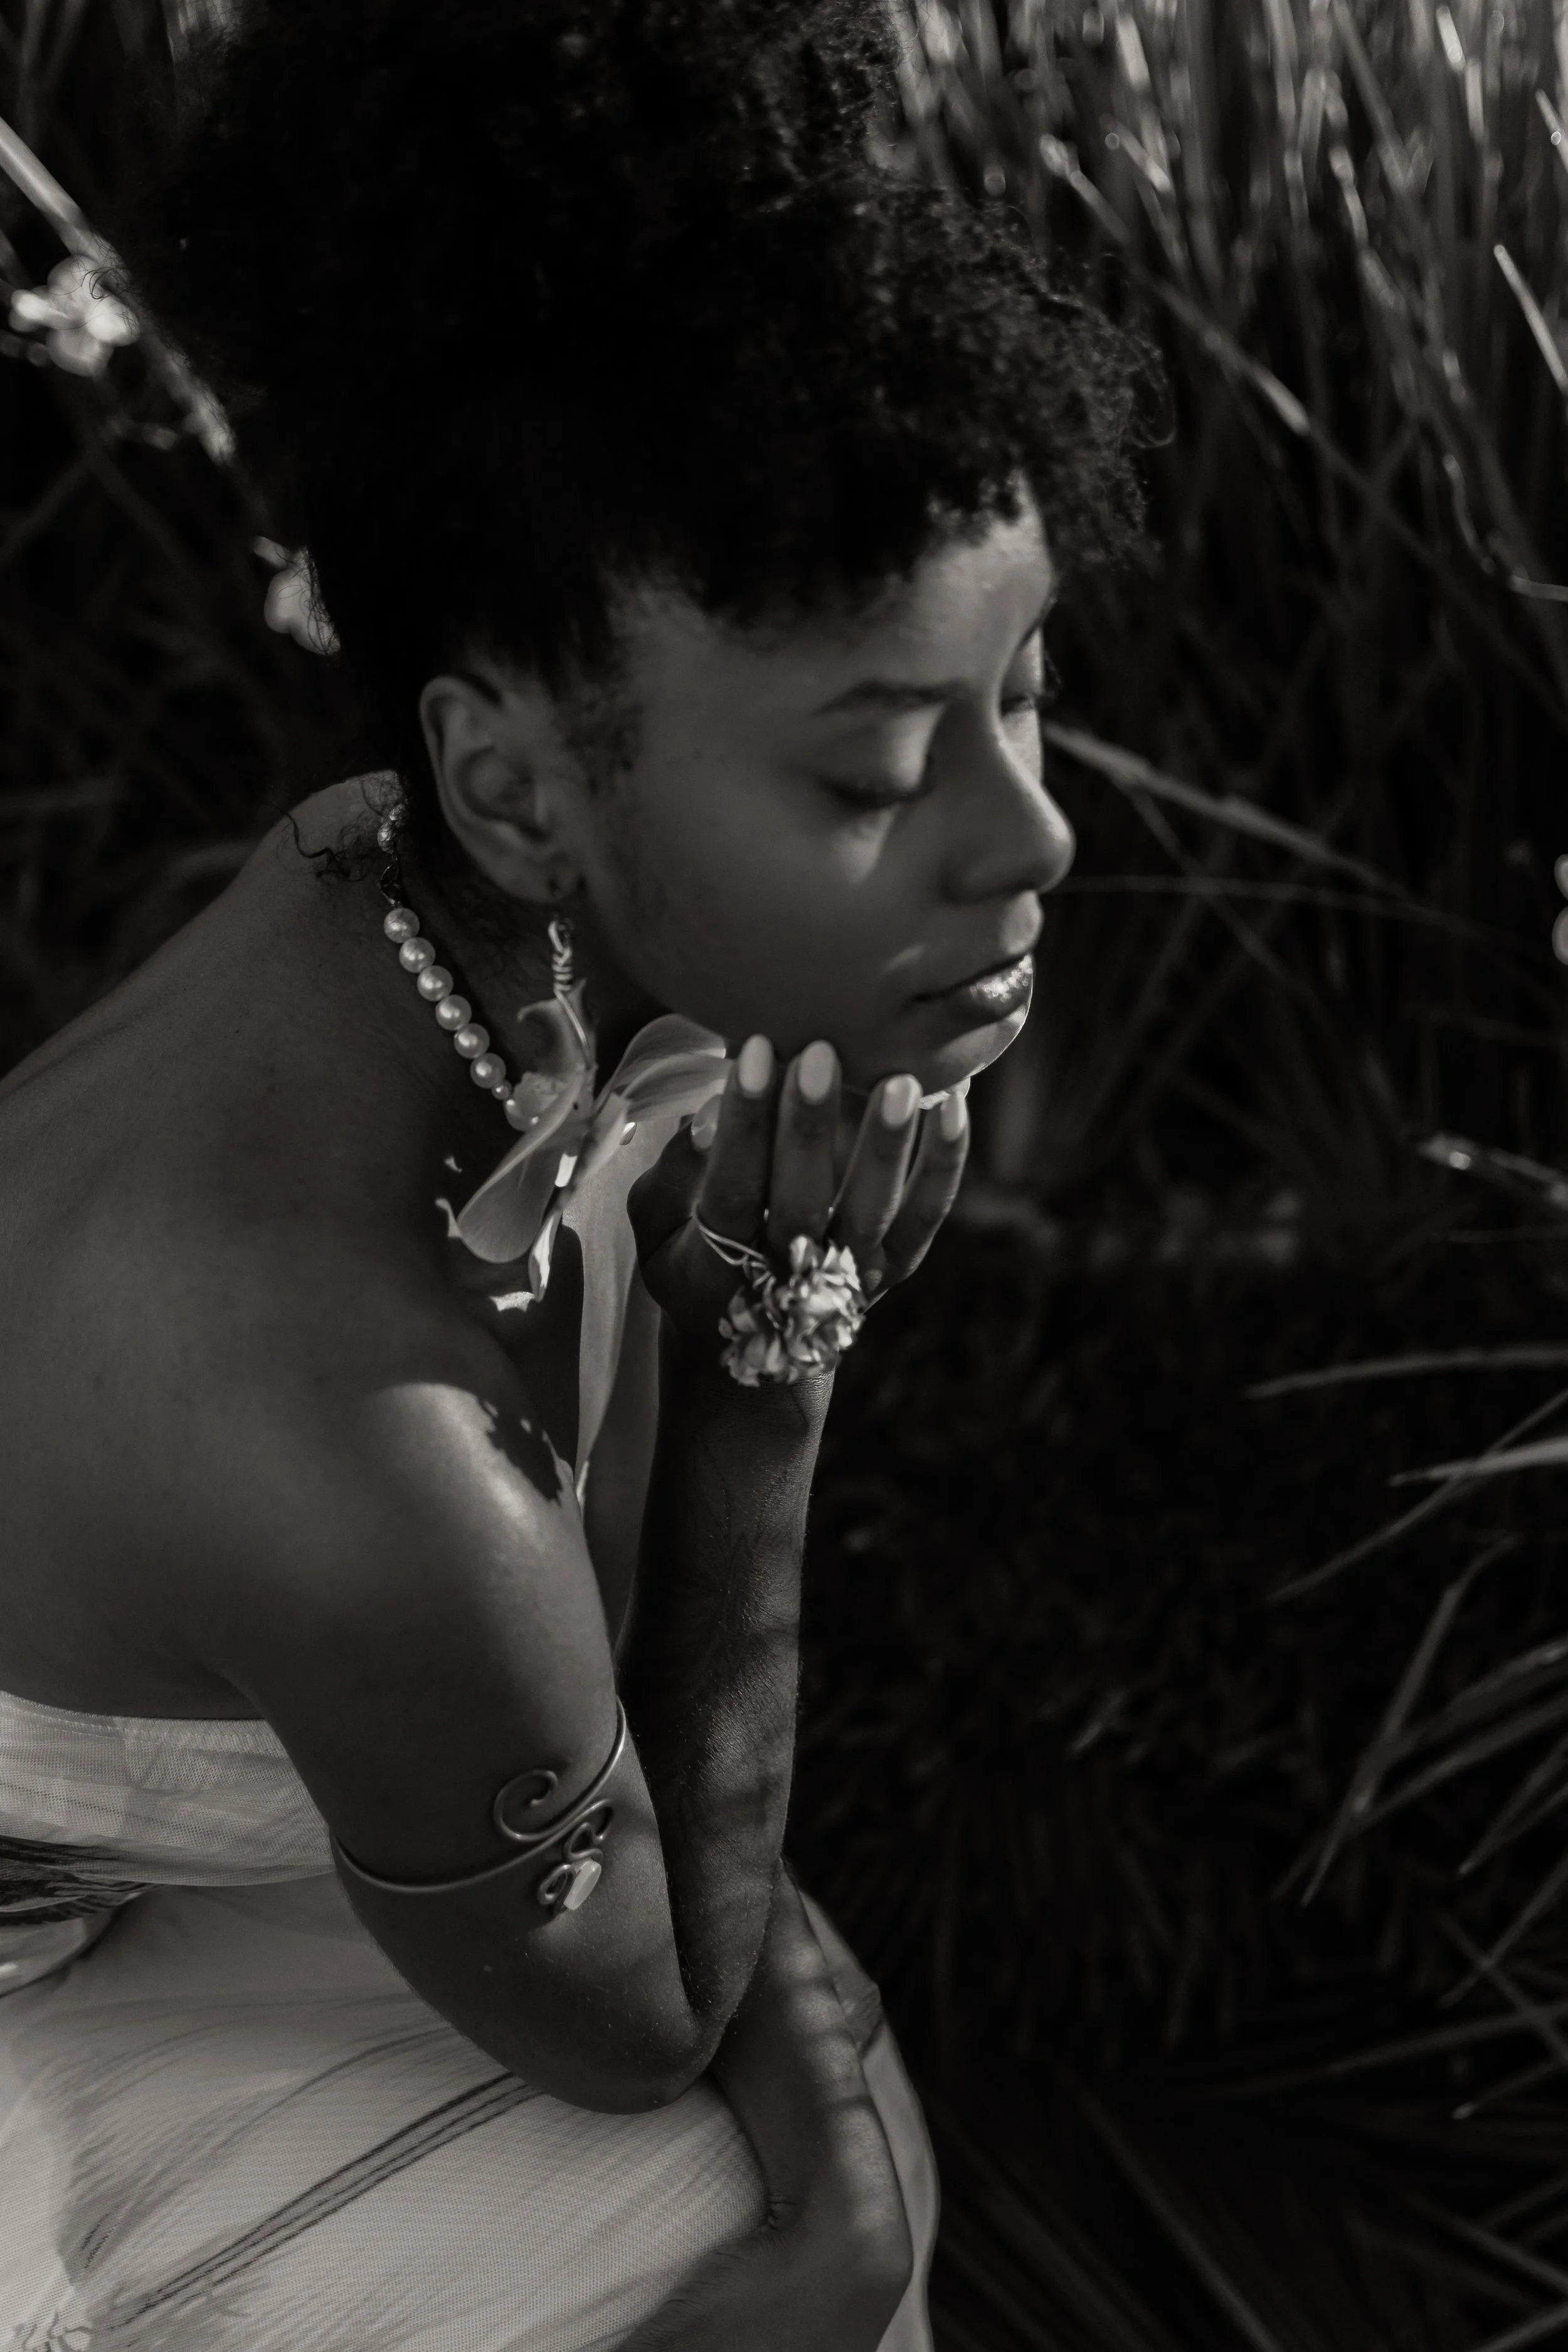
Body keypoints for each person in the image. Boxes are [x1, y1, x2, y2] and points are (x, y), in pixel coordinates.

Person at [0, 2, 1141, 2343]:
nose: (1032, 833)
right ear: (516, 788)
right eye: (872, 775)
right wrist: (771, 1362)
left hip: (201, 1830)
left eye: (1021, 691)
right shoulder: (360, 1417)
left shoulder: (387, 883)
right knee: (765, 2216)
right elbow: (635, 2015)